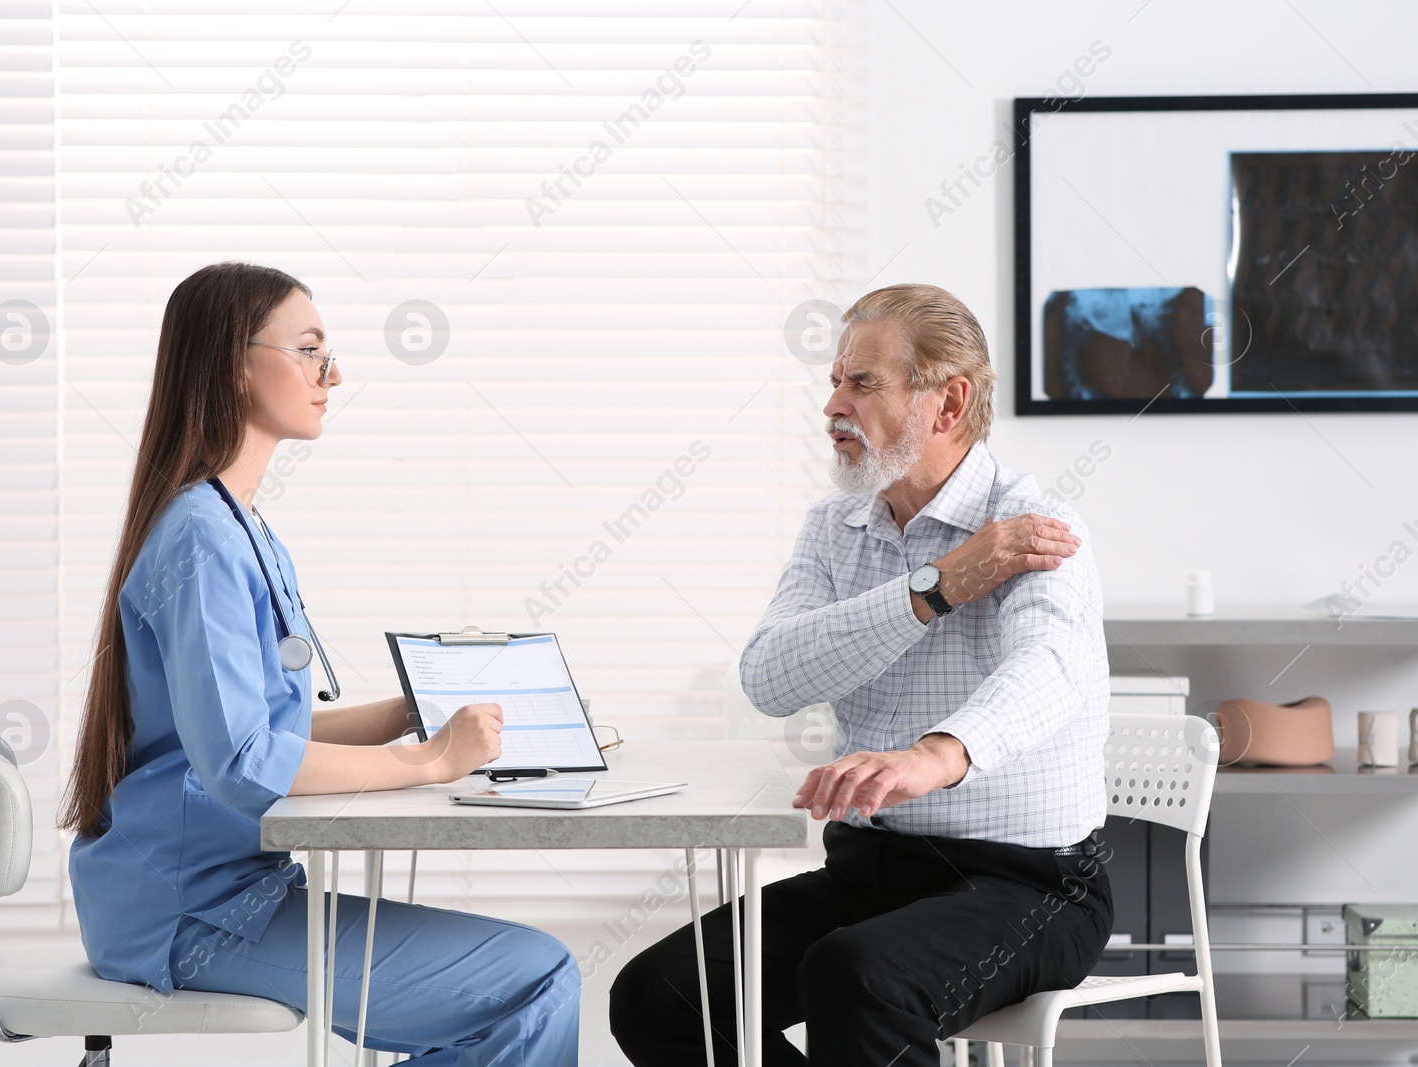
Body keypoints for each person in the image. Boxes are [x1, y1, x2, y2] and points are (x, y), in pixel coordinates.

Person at [60, 261, 579, 1064]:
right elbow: (240, 763)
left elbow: (257, 728)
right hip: (190, 915)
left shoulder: (238, 525)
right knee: (537, 979)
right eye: (309, 349)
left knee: (523, 990)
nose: (332, 374)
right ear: (236, 363)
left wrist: (407, 713)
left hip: (221, 893)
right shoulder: (202, 537)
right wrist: (429, 760)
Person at [610, 283, 1113, 1066]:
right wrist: (935, 586)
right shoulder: (835, 528)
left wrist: (934, 756)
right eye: (835, 380)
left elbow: (1049, 671)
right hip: (871, 872)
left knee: (855, 978)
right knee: (658, 996)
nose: (832, 405)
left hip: (1030, 888)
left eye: (862, 382)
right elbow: (771, 678)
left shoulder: (1036, 528)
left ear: (947, 404)